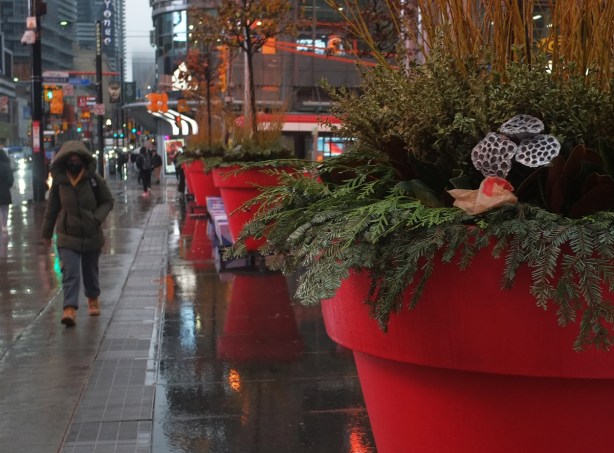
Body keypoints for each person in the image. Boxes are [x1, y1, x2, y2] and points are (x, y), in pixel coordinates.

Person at [41, 141, 114, 327]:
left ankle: (93, 299)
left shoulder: (93, 179)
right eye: (70, 159)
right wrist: (46, 234)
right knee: (70, 272)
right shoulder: (59, 182)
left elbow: (107, 201)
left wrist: (96, 219)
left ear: (83, 160)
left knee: (90, 271)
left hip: (91, 233)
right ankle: (69, 309)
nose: (74, 162)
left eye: (77, 159)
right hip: (67, 235)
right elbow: (52, 208)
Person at [0, 149, 14, 234]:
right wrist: (6, 186)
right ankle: (4, 226)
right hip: (5, 192)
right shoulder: (6, 166)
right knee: (5, 210)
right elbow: (10, 180)